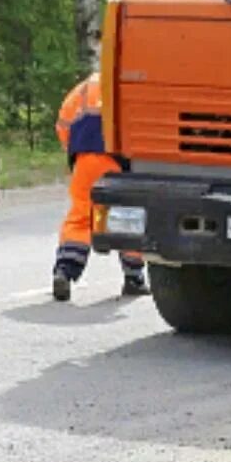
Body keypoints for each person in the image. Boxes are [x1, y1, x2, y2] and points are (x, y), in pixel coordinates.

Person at [50, 71, 146, 301]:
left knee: (81, 215)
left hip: (85, 159)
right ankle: (133, 277)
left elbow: (63, 125)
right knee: (128, 215)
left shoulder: (83, 88)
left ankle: (65, 269)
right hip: (117, 159)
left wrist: (74, 153)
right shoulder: (129, 84)